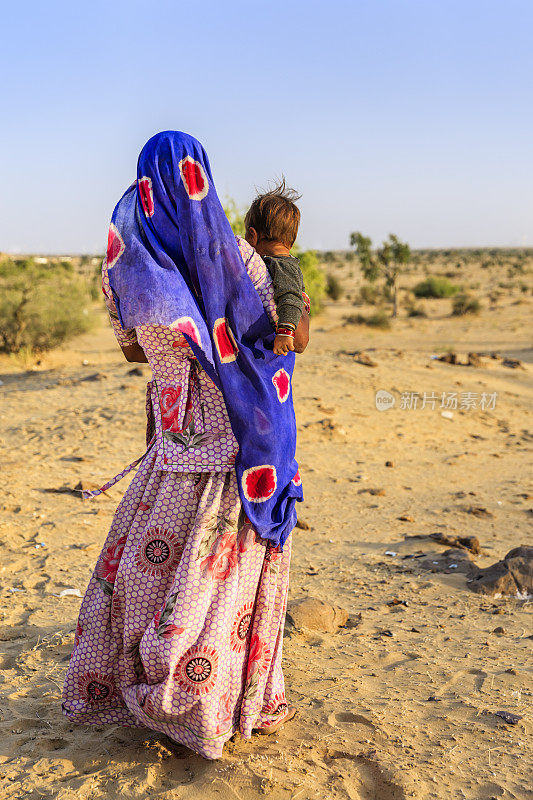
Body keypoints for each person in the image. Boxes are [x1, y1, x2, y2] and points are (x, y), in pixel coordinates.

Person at [61, 131, 309, 760]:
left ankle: (144, 686)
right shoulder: (241, 265)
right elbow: (292, 340)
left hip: (171, 446)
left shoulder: (125, 268)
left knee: (151, 570)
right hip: (236, 450)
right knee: (216, 581)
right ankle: (211, 700)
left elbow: (133, 349)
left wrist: (177, 350)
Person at [244, 182, 310, 356]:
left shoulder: (283, 265)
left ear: (252, 236)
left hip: (282, 343)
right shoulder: (276, 263)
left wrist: (285, 333)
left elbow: (290, 298)